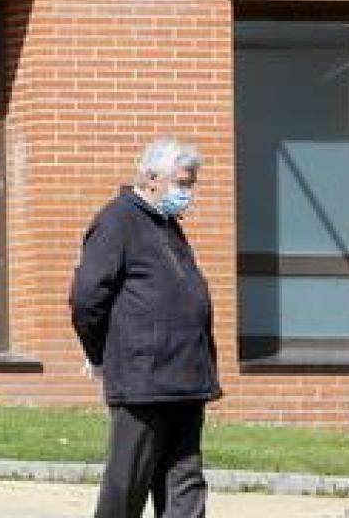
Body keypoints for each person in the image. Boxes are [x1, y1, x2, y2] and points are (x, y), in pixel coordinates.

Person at [69, 136, 221, 518]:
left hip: (187, 377)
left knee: (185, 485)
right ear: (152, 178)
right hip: (144, 380)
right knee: (128, 484)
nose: (187, 192)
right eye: (182, 183)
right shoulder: (117, 220)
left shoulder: (168, 225)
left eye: (191, 184)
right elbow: (88, 298)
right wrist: (97, 353)